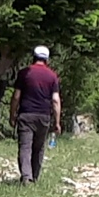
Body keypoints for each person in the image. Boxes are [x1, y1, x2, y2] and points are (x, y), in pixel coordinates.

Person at [13, 46, 62, 183]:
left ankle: (26, 177)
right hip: (44, 116)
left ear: (33, 57)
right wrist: (57, 122)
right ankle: (34, 176)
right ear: (47, 59)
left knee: (25, 146)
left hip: (26, 114)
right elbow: (55, 100)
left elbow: (16, 96)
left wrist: (12, 115)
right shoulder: (52, 76)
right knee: (39, 147)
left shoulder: (24, 73)